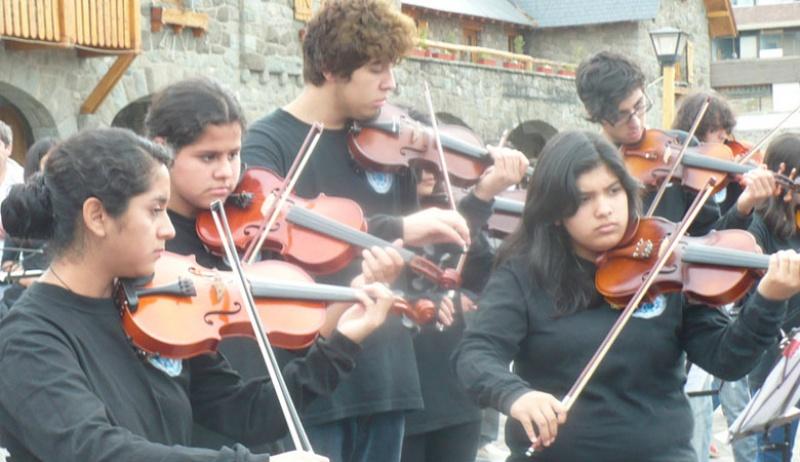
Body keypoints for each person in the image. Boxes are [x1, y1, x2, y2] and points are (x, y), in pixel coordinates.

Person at [0, 127, 399, 462]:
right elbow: (98, 451)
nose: (169, 229)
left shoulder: (157, 306)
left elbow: (247, 413)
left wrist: (342, 344)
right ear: (97, 216)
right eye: (155, 210)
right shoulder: (28, 338)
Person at [240, 1, 516, 460]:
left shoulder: (388, 144)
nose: (390, 83)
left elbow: (413, 264)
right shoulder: (269, 141)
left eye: (392, 67)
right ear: (330, 67)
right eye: (375, 69)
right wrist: (399, 227)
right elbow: (268, 230)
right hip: (313, 379)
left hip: (389, 377)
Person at [453, 130, 800, 462]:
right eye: (583, 199)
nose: (604, 209)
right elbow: (476, 354)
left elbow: (727, 359)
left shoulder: (665, 265)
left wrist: (767, 300)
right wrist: (516, 395)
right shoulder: (524, 273)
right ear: (556, 212)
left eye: (613, 191)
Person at [144, 76, 407, 451]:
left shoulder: (244, 229)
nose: (225, 173)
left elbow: (300, 331)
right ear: (162, 151)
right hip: (195, 441)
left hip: (262, 424)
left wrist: (348, 313)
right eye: (208, 157)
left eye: (233, 155)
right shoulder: (151, 247)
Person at [575, 52, 774, 235]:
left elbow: (711, 236)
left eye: (639, 105)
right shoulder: (584, 165)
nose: (635, 122)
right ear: (596, 115)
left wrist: (743, 207)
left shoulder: (680, 145)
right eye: (620, 115)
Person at [673, 90, 757, 462]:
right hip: (694, 298)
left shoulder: (731, 180)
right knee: (697, 406)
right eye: (717, 133)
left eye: (727, 133)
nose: (726, 143)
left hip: (728, 300)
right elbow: (706, 241)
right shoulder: (681, 186)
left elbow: (734, 236)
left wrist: (749, 198)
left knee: (735, 406)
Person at [746, 133, 800, 462]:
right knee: (774, 451)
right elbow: (753, 293)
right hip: (776, 357)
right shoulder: (760, 226)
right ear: (784, 175)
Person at [0, 137, 58, 317]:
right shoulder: (26, 208)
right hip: (28, 291)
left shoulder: (72, 209)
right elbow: (7, 263)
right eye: (47, 165)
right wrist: (26, 278)